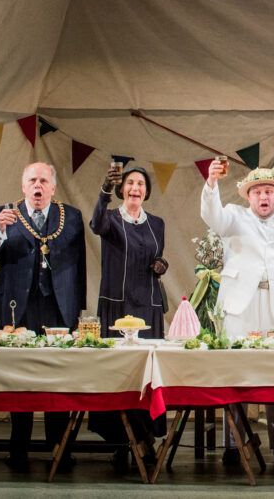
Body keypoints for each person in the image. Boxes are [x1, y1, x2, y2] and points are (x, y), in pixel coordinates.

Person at [201, 164, 274, 467]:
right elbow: (211, 215)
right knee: (234, 372)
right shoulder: (232, 218)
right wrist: (211, 182)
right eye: (258, 192)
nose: (263, 196)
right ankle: (235, 443)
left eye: (269, 191)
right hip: (239, 305)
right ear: (249, 197)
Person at [0, 162, 87, 472]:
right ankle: (19, 446)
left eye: (43, 181)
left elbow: (80, 266)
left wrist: (77, 307)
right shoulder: (4, 213)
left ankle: (59, 445)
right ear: (23, 186)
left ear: (53, 187)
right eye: (32, 180)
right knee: (19, 374)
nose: (37, 186)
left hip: (58, 304)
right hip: (18, 305)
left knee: (59, 374)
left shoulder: (72, 217)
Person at [88, 164, 168, 469]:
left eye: (141, 184)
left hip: (147, 307)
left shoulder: (157, 223)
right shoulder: (109, 218)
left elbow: (156, 254)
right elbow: (95, 224)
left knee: (146, 380)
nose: (135, 187)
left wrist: (161, 264)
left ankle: (145, 437)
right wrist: (104, 191)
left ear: (146, 191)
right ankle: (124, 443)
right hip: (117, 308)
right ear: (123, 189)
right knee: (119, 378)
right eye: (130, 183)